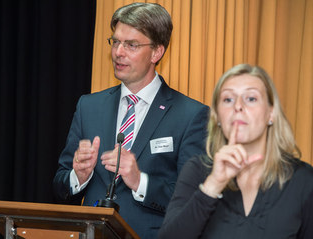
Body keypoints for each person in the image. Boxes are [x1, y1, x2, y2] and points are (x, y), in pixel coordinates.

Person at [52, 3, 209, 239]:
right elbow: (60, 186)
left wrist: (140, 182)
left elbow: (193, 202)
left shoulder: (191, 115)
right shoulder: (89, 106)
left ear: (157, 52)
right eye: (115, 42)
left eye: (131, 45)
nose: (118, 52)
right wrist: (78, 177)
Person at [158, 64, 313, 239]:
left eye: (251, 98)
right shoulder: (196, 171)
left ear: (271, 113)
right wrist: (213, 185)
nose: (238, 106)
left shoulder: (303, 180)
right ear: (217, 117)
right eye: (228, 99)